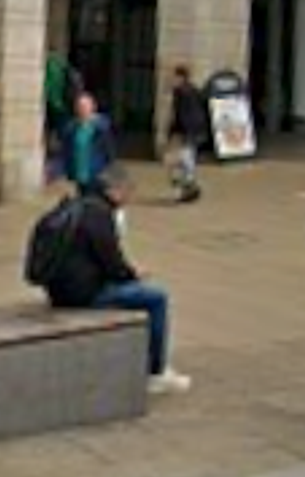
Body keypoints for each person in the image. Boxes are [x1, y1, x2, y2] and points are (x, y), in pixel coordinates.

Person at [37, 166, 192, 394]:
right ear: (115, 190)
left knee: (138, 290)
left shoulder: (75, 206)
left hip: (59, 289)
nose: (129, 199)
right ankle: (156, 371)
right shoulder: (100, 215)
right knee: (156, 299)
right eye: (128, 192)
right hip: (83, 294)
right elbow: (112, 263)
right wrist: (133, 276)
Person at [166, 66, 209, 205]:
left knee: (178, 161)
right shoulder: (194, 90)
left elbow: (181, 115)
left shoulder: (181, 92)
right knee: (187, 159)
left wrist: (173, 132)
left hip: (186, 131)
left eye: (174, 77)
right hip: (194, 130)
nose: (172, 80)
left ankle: (187, 188)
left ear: (181, 77)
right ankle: (188, 189)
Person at [62, 92, 117, 194]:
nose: (82, 109)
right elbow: (66, 152)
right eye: (79, 106)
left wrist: (109, 171)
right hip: (79, 174)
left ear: (93, 107)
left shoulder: (102, 128)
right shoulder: (71, 128)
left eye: (85, 106)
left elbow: (110, 152)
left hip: (97, 173)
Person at [44, 52, 81, 182]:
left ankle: (56, 170)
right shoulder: (67, 69)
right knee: (64, 139)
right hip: (64, 109)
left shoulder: (50, 68)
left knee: (59, 140)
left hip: (55, 109)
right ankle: (62, 168)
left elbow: (47, 90)